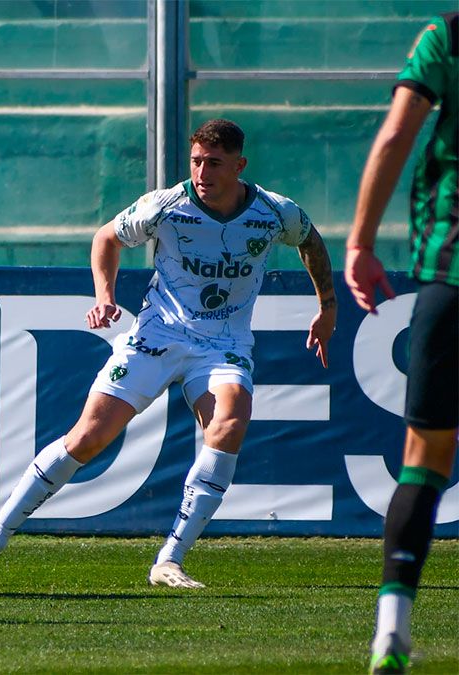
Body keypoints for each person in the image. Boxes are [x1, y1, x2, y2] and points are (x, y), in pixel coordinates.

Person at [0, 118, 337, 589]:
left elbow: (310, 241)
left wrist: (327, 307)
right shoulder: (166, 205)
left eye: (214, 163)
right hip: (156, 338)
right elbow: (106, 238)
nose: (202, 173)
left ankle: (170, 560)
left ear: (239, 165)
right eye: (196, 161)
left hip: (223, 346)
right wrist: (105, 296)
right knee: (88, 437)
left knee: (230, 423)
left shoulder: (273, 211)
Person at [344, 13, 457, 675]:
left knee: (424, 457)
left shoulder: (447, 36)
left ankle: (392, 626)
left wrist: (360, 241)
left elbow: (395, 135)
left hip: (451, 274)